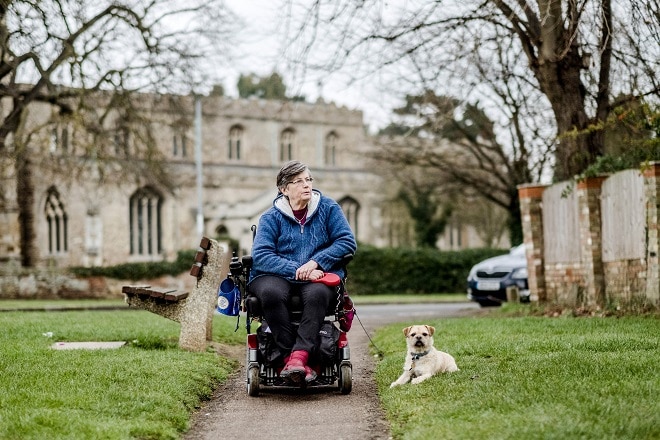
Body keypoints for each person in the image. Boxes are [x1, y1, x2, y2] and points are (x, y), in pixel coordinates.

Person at [248, 160, 357, 385]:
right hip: (274, 274)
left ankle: (296, 358)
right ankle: (294, 359)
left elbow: (346, 241)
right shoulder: (271, 217)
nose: (306, 185)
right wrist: (298, 270)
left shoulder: (328, 208)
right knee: (270, 294)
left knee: (317, 295)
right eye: (298, 181)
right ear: (284, 189)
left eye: (308, 180)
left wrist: (317, 262)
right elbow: (262, 255)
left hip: (318, 273)